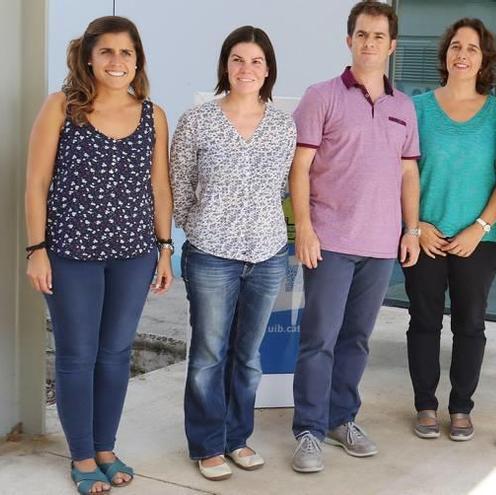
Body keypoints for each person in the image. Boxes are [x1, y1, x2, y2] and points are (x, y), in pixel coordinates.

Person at [24, 16, 172, 494]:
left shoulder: (153, 114)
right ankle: (82, 455)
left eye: (126, 52)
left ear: (137, 60)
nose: (116, 61)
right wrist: (36, 250)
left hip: (133, 255)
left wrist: (165, 249)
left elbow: (159, 186)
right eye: (106, 51)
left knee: (114, 355)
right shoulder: (61, 107)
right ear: (88, 56)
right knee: (76, 356)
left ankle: (105, 447)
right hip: (70, 254)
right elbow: (37, 184)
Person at [289, 0, 420, 473]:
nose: (370, 43)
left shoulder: (404, 106)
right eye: (362, 35)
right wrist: (304, 227)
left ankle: (342, 419)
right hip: (329, 240)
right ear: (349, 40)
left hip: (381, 244)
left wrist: (411, 229)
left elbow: (409, 175)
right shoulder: (320, 96)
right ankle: (308, 428)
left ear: (392, 46)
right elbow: (299, 167)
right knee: (319, 338)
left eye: (379, 36)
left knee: (358, 338)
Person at [170, 26, 296, 481]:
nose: (247, 69)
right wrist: (199, 226)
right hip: (211, 256)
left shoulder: (283, 125)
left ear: (268, 70)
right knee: (208, 353)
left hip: (266, 255)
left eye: (257, 61)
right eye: (238, 59)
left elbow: (283, 186)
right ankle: (206, 444)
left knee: (248, 355)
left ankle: (237, 438)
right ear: (226, 65)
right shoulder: (198, 120)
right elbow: (178, 183)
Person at [405, 18, 496, 442]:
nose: (462, 54)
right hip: (426, 237)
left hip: (479, 240)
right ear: (445, 54)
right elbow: (405, 174)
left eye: (471, 48)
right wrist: (415, 226)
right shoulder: (419, 108)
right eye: (455, 46)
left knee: (470, 324)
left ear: (484, 58)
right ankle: (426, 405)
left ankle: (461, 406)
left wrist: (480, 227)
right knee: (424, 321)